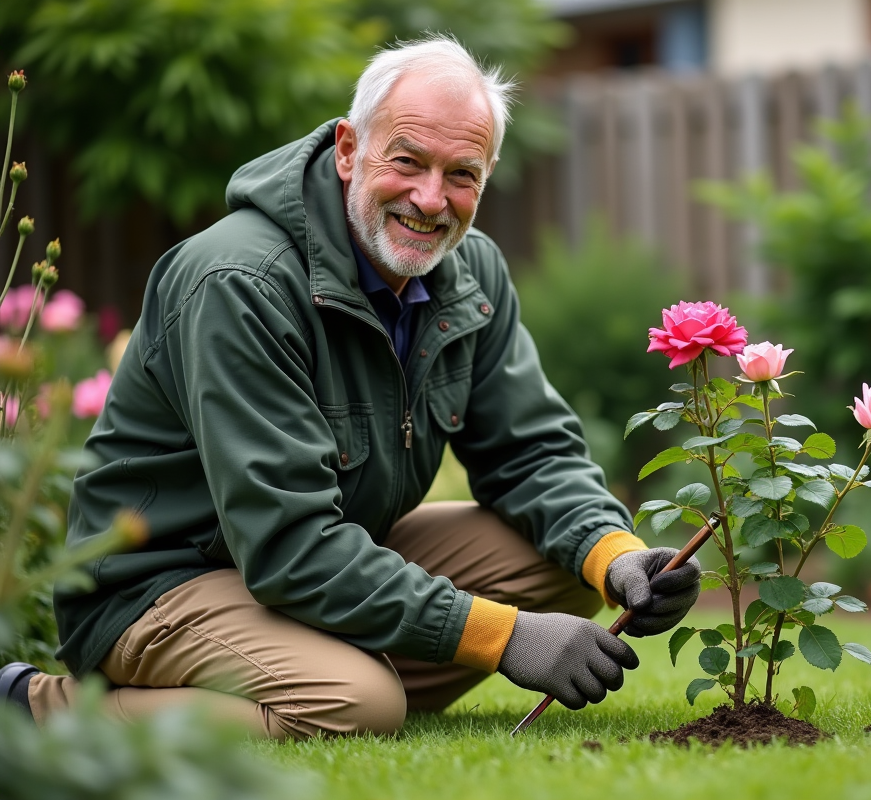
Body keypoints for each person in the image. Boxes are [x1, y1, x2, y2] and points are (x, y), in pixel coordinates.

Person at [0, 36, 701, 739]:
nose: (431, 199)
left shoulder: (470, 274)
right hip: (157, 585)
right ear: (346, 149)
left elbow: (533, 453)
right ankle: (34, 706)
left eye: (461, 173)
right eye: (407, 161)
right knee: (360, 702)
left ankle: (330, 667)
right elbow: (289, 543)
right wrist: (502, 636)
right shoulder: (240, 283)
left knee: (569, 565)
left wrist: (617, 558)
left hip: (317, 560)